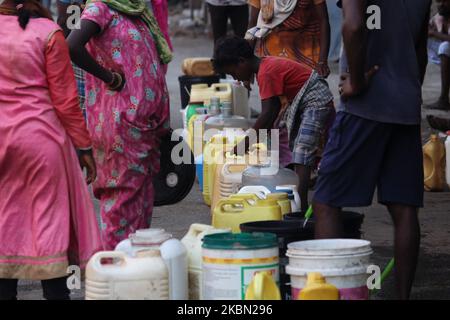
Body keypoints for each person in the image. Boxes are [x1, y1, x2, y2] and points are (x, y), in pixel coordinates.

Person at [312, 0, 431, 300]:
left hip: (366, 107)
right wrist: (406, 90)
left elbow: (353, 25)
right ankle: (403, 296)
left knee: (326, 200)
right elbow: (420, 50)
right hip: (405, 105)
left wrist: (358, 80)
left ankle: (330, 293)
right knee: (404, 209)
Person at [0, 0, 102, 300]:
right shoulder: (49, 33)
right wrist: (84, 147)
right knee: (49, 225)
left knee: (5, 222)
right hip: (42, 144)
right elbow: (66, 101)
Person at [68, 0, 172, 250]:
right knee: (120, 205)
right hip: (120, 125)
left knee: (141, 205)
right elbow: (72, 45)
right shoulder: (100, 8)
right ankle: (114, 271)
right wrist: (110, 77)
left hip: (144, 127)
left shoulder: (134, 10)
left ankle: (134, 272)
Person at [213, 36, 334, 212]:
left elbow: (268, 112)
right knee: (295, 144)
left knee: (302, 148)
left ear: (241, 62)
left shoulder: (266, 72)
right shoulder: (264, 66)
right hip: (303, 102)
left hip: (316, 101)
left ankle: (299, 206)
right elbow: (273, 109)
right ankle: (304, 188)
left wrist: (245, 144)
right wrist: (264, 134)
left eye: (233, 73)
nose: (236, 78)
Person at [246, 0, 331, 77]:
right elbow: (252, 23)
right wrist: (246, 60)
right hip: (271, 57)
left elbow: (323, 20)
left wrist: (322, 61)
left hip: (305, 56)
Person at [427, 0, 450, 110]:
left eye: (444, 1)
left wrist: (433, 33)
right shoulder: (439, 17)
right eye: (438, 1)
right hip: (442, 56)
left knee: (444, 47)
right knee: (423, 41)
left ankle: (444, 99)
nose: (440, 5)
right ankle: (416, 95)